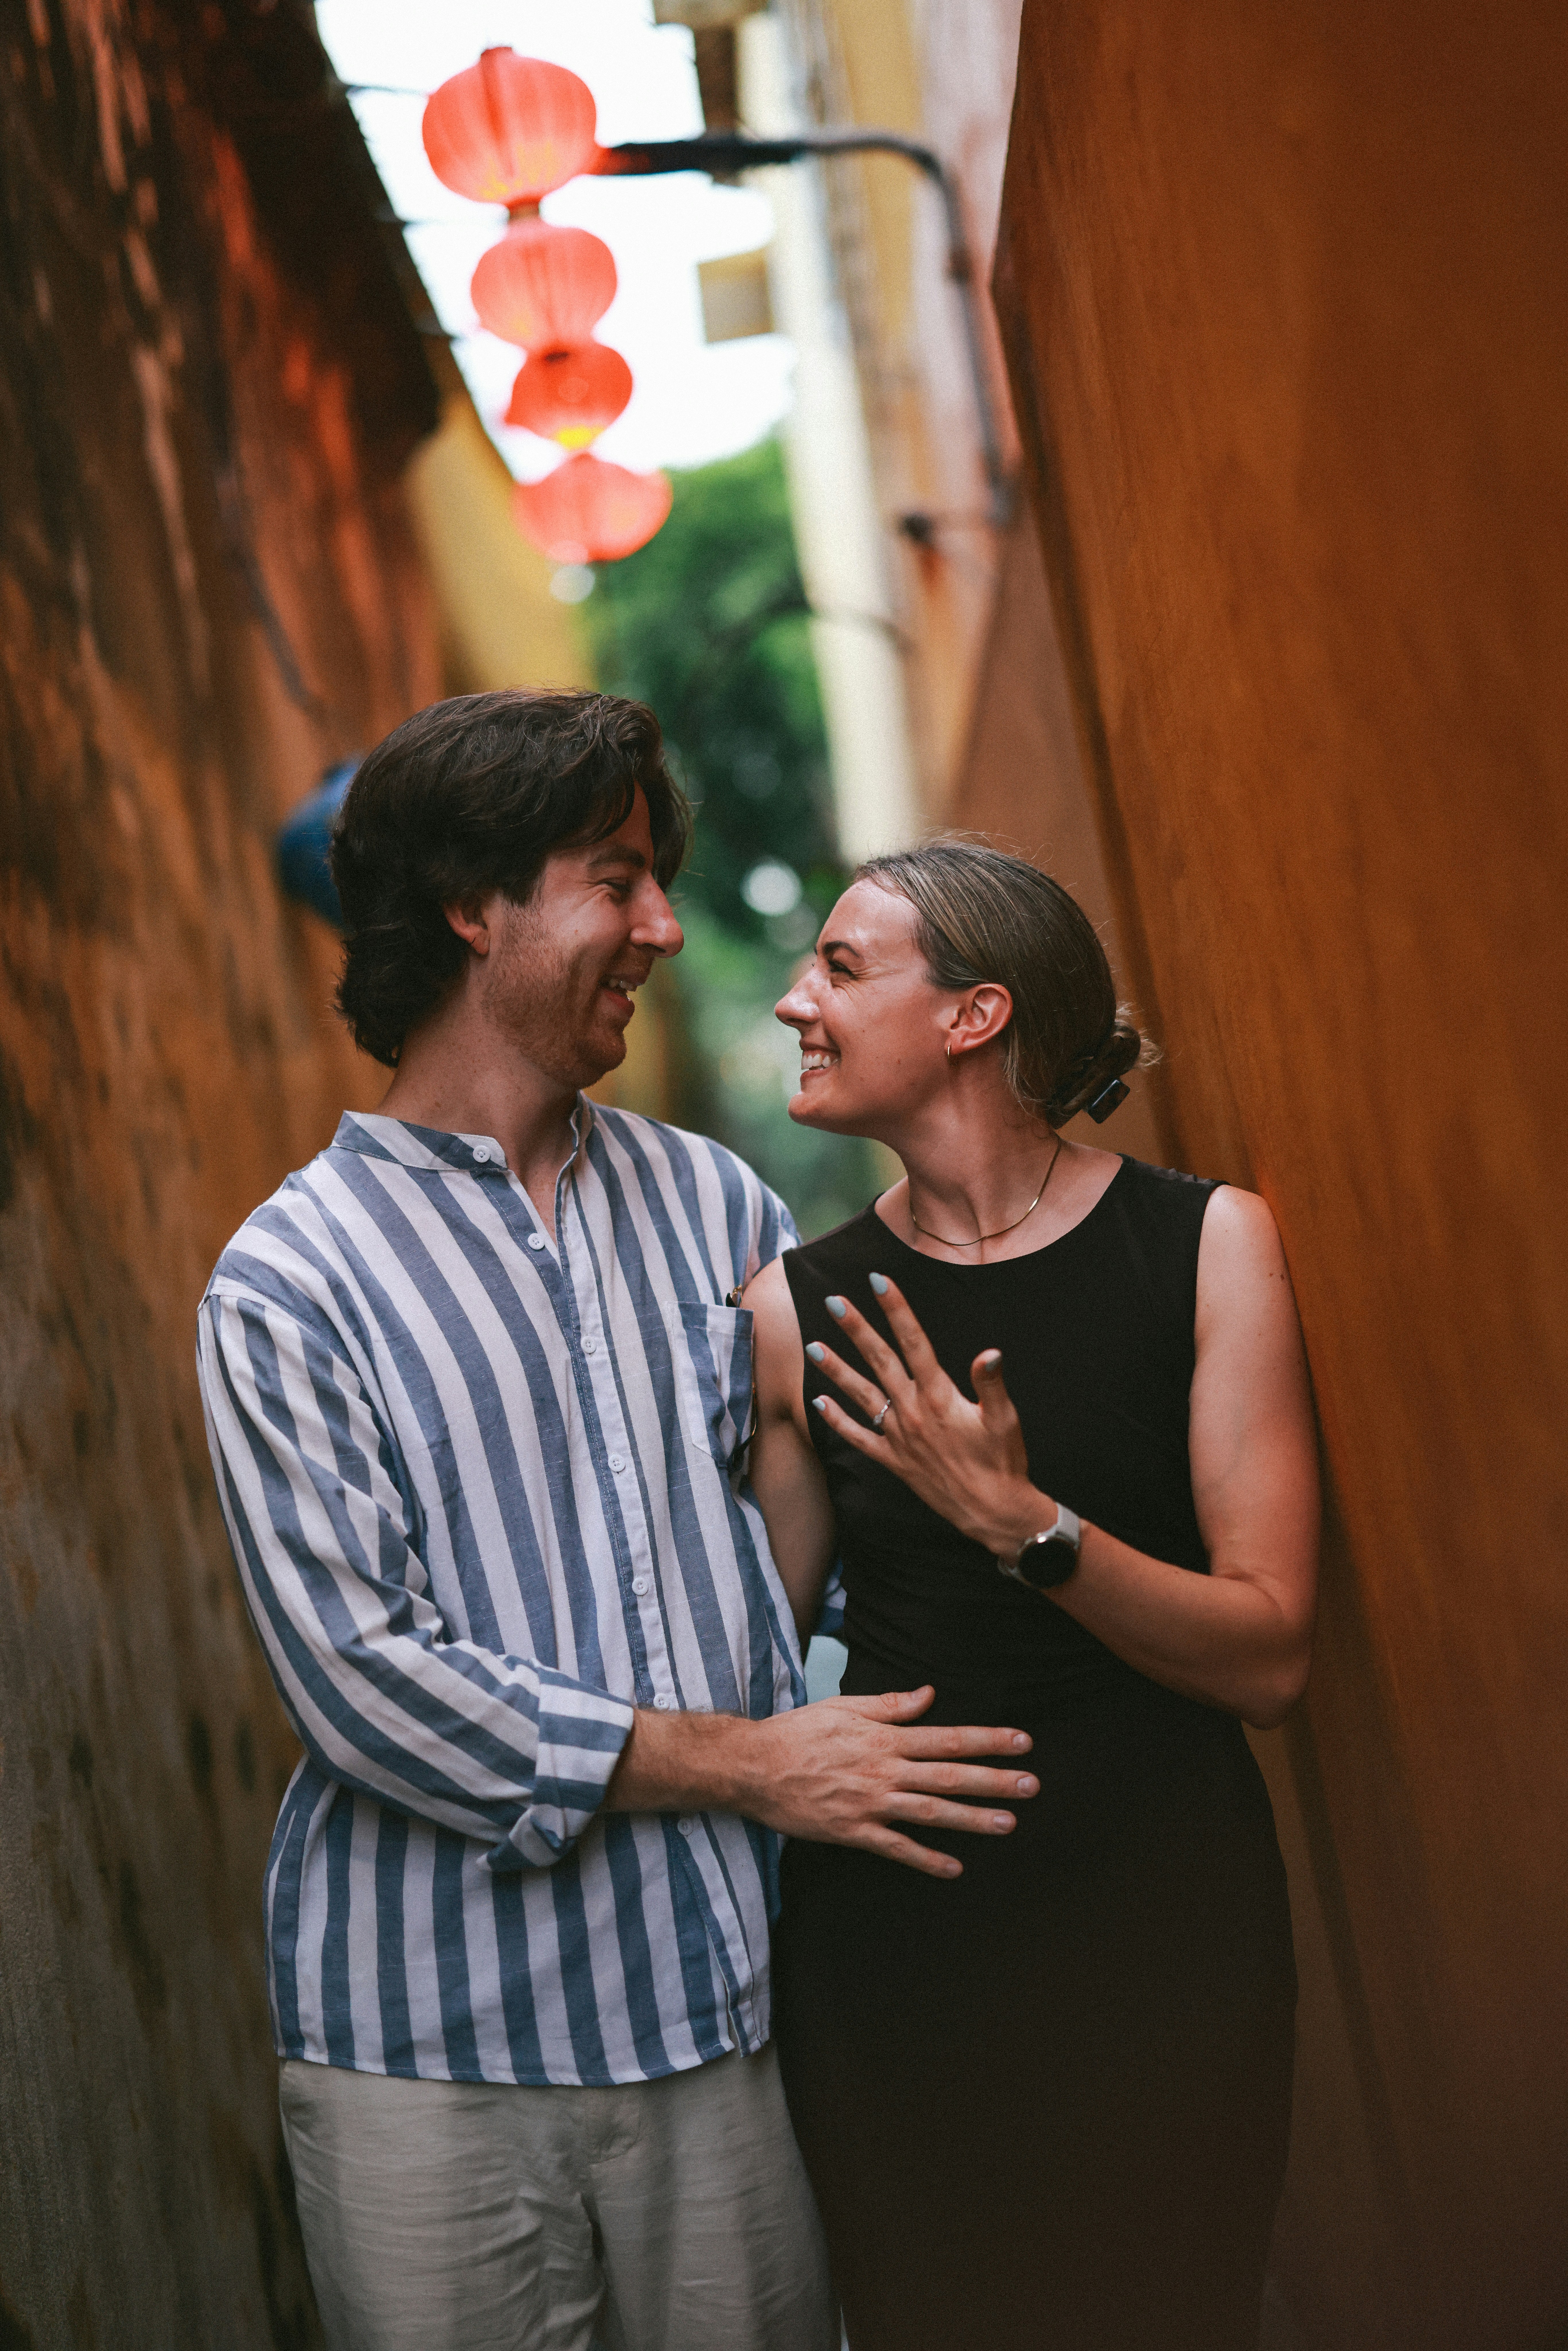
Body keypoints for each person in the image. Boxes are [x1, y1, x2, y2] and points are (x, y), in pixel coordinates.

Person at [197, 692, 1042, 2351]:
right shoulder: (289, 1280)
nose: (663, 928)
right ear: (472, 904)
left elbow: (808, 1543)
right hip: (429, 2062)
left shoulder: (716, 1206)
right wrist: (755, 1765)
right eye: (617, 880)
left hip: (722, 2012)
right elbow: (364, 1682)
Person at [743, 840, 1320, 2351]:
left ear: (973, 1015)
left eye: (841, 968)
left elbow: (1268, 1657)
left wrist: (1025, 1527)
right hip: (897, 1950)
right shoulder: (793, 1312)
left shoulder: (1206, 1247)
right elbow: (743, 1664)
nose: (796, 1002)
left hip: (1167, 1922)